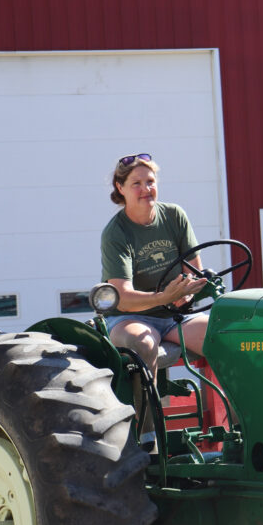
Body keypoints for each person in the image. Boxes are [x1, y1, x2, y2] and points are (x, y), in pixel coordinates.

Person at [100, 153, 209, 382]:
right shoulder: (116, 233)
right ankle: (148, 418)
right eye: (136, 184)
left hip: (176, 317)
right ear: (121, 188)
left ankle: (237, 414)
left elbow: (194, 273)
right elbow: (124, 299)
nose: (145, 189)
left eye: (150, 182)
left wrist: (186, 297)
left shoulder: (174, 215)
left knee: (225, 335)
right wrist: (164, 297)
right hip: (128, 319)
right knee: (144, 344)